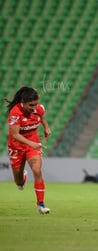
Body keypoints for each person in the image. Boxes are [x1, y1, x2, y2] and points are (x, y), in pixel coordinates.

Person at [6, 86, 51, 214]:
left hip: (33, 143)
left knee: (37, 170)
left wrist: (46, 128)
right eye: (31, 105)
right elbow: (15, 135)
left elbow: (42, 119)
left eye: (36, 104)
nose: (34, 108)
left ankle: (41, 205)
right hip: (17, 146)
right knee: (18, 182)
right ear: (23, 102)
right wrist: (32, 143)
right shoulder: (15, 113)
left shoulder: (39, 109)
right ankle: (22, 178)